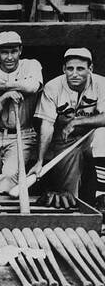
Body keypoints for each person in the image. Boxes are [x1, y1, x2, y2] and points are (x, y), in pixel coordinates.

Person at [29, 48, 105, 208]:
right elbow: (47, 125)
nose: (74, 73)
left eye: (80, 68)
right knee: (69, 197)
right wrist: (40, 161)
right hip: (65, 141)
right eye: (70, 68)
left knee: (102, 134)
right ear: (64, 69)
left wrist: (77, 122)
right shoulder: (53, 87)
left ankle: (102, 195)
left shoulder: (101, 83)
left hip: (90, 137)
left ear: (90, 69)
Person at [0, 31, 43, 194]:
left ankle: (8, 216)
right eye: (4, 52)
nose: (10, 57)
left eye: (13, 51)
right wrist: (3, 98)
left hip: (22, 134)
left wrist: (2, 87)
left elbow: (32, 86)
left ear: (20, 50)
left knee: (10, 176)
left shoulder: (31, 64)